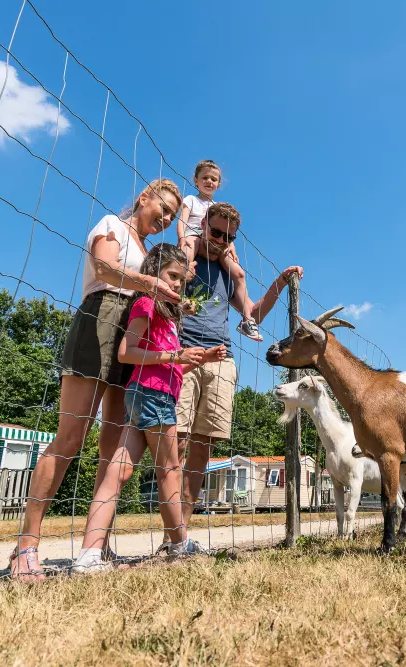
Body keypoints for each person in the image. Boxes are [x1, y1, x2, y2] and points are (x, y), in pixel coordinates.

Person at [9, 179, 184, 581]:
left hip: (131, 335)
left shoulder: (149, 252)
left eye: (174, 215)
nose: (167, 218)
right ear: (144, 197)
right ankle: (26, 546)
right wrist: (150, 284)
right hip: (100, 321)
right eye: (164, 208)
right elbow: (104, 266)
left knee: (112, 448)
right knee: (70, 438)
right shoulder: (112, 225)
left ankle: (97, 544)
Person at [72, 244, 226, 572]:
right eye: (171, 276)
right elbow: (127, 352)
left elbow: (168, 367)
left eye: (181, 282)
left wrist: (198, 359)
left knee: (120, 469)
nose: (176, 285)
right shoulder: (146, 303)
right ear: (153, 271)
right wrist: (174, 356)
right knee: (170, 470)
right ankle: (179, 545)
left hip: (149, 394)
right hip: (152, 396)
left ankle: (89, 553)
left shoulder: (169, 313)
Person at [174, 201, 303, 534]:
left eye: (228, 236)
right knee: (175, 443)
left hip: (221, 359)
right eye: (215, 232)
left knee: (203, 448)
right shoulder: (182, 259)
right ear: (202, 224)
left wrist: (279, 282)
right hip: (183, 352)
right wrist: (188, 252)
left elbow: (252, 315)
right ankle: (170, 531)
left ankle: (180, 536)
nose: (219, 240)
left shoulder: (227, 273)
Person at [177, 160, 263, 342]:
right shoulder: (191, 200)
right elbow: (182, 221)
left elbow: (226, 234)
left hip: (216, 244)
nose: (209, 181)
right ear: (195, 180)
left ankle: (247, 320)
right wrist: (182, 238)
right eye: (205, 177)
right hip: (194, 236)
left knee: (239, 274)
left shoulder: (218, 206)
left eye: (213, 179)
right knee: (185, 262)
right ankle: (177, 297)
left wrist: (231, 247)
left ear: (218, 184)